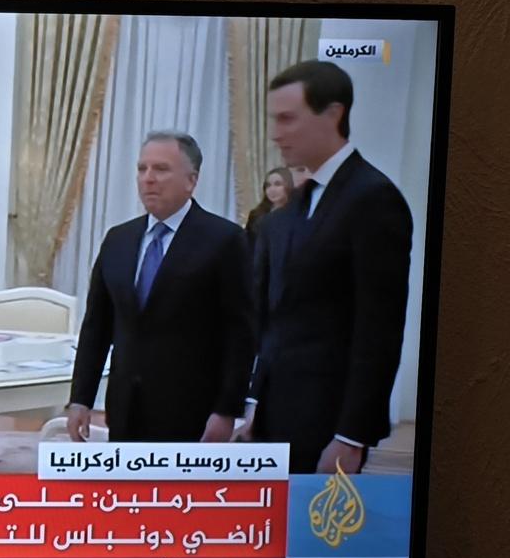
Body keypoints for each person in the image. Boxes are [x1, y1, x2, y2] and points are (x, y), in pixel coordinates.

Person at [238, 60, 412, 474]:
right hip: (274, 416)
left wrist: (352, 435)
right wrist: (254, 402)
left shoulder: (373, 198)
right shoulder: (286, 213)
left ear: (333, 114)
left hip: (329, 422)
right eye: (273, 119)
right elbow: (275, 321)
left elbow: (379, 329)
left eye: (288, 119)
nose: (275, 133)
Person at [66, 131, 254, 443]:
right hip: (126, 408)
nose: (148, 178)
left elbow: (241, 334)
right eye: (142, 169)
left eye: (161, 169)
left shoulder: (225, 240)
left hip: (193, 411)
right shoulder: (118, 240)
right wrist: (80, 399)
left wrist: (226, 410)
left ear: (191, 180)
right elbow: (96, 328)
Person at [243, 166, 296, 252]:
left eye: (277, 184)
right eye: (268, 185)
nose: (272, 189)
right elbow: (248, 245)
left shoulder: (298, 214)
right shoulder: (256, 215)